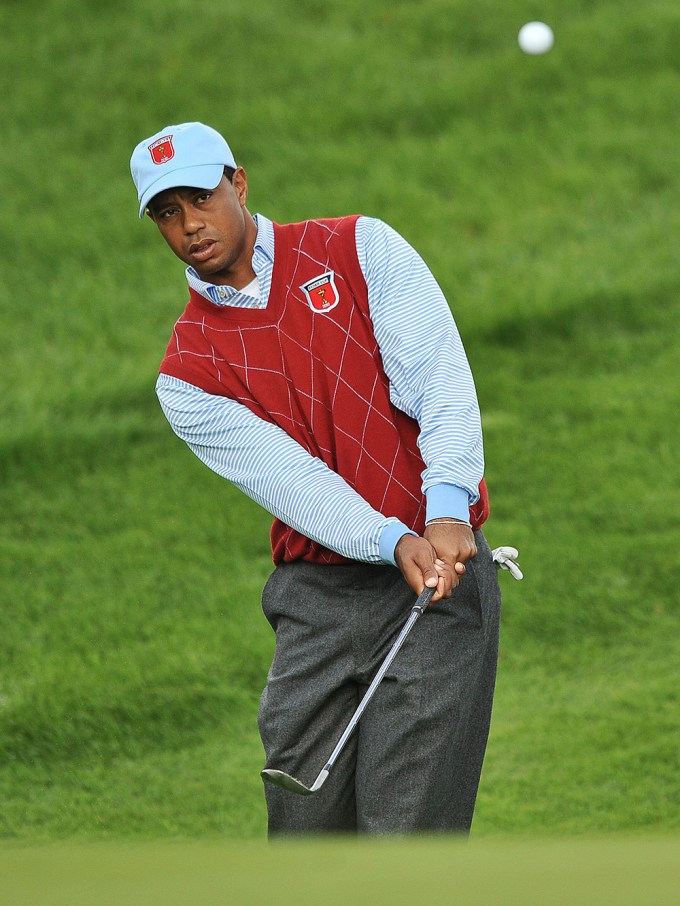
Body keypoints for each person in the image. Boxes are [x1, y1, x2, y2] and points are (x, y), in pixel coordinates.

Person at [130, 121, 502, 835]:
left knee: (407, 843)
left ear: (238, 183)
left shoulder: (358, 248)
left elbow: (440, 382)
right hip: (317, 605)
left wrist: (449, 508)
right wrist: (394, 539)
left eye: (200, 198)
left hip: (435, 583)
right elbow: (295, 484)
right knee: (306, 843)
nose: (189, 225)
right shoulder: (187, 376)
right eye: (166, 213)